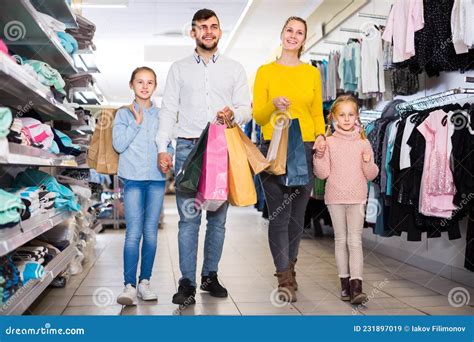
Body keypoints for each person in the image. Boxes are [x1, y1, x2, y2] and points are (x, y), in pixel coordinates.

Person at [156, 8, 252, 306]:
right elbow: (169, 110)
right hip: (187, 149)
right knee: (188, 220)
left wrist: (234, 113)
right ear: (193, 33)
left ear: (220, 31)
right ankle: (187, 282)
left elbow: (246, 108)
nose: (207, 32)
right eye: (201, 27)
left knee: (218, 220)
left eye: (213, 27)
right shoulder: (179, 68)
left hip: (222, 147)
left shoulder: (235, 68)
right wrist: (162, 146)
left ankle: (210, 275)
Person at [253, 16, 325, 302]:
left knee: (298, 217)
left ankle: (291, 267)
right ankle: (283, 276)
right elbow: (258, 116)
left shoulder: (311, 74)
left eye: (299, 33)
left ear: (303, 39)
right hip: (275, 147)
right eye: (289, 31)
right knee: (279, 216)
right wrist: (273, 104)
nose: (293, 36)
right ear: (281, 34)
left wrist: (321, 135)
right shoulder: (265, 71)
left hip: (305, 148)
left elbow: (317, 112)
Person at [113, 67, 170, 306]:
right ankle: (129, 285)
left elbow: (166, 143)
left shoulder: (161, 115)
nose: (144, 86)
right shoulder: (123, 115)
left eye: (149, 82)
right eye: (140, 82)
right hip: (133, 179)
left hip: (156, 179)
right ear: (131, 85)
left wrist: (169, 157)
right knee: (133, 233)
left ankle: (145, 282)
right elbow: (118, 144)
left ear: (155, 86)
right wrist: (136, 123)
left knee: (151, 233)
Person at [313, 95, 379, 305]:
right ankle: (344, 286)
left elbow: (371, 174)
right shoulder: (329, 142)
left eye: (351, 114)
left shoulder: (364, 142)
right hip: (335, 198)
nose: (347, 119)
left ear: (357, 117)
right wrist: (319, 155)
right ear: (333, 117)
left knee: (355, 241)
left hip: (357, 197)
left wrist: (368, 163)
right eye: (342, 115)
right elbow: (322, 174)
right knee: (340, 240)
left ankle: (357, 287)